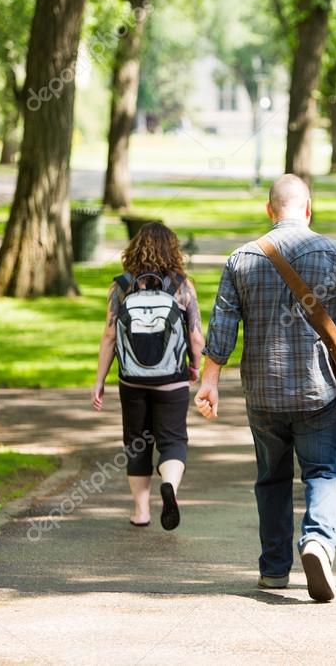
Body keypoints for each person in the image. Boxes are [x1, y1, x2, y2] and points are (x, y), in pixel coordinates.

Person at [195, 174, 336, 603]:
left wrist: (210, 382)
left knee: (271, 479)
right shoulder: (335, 253)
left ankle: (274, 570)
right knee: (324, 471)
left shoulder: (241, 259)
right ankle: (317, 542)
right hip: (319, 387)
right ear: (309, 207)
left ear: (269, 210)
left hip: (263, 391)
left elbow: (222, 327)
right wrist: (335, 332)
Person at [92, 222, 205, 531]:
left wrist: (100, 380)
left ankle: (141, 511)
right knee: (173, 439)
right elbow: (196, 337)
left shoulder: (121, 286)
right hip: (172, 378)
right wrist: (195, 367)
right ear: (173, 250)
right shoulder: (182, 285)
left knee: (137, 442)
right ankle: (169, 485)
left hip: (132, 379)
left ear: (135, 249)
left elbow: (109, 336)